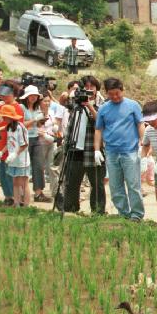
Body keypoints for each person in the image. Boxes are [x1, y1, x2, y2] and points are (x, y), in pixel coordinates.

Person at [94, 78, 145, 221]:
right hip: (111, 151)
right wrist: (97, 150)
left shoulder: (133, 105)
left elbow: (140, 124)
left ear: (122, 90)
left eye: (117, 93)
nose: (115, 97)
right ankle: (123, 213)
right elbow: (98, 129)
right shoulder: (104, 108)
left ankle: (136, 214)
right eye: (111, 94)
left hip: (130, 151)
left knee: (133, 184)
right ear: (107, 93)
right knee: (115, 186)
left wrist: (143, 144)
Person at [61, 78, 106, 215]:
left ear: (97, 89)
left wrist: (90, 107)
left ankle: (97, 211)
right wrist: (69, 94)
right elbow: (63, 101)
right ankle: (70, 209)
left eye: (92, 86)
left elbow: (101, 122)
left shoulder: (103, 105)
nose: (89, 89)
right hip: (75, 148)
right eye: (85, 86)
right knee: (72, 182)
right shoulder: (76, 104)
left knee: (97, 183)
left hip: (93, 149)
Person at [0, 83, 23, 205]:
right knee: (2, 174)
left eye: (5, 95)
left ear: (12, 94)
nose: (3, 97)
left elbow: (16, 127)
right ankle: (8, 197)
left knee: (10, 174)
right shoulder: (0, 107)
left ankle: (17, 198)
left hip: (9, 146)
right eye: (2, 95)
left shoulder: (17, 108)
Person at [21, 85, 51, 203]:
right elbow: (21, 124)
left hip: (36, 138)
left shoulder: (37, 108)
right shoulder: (22, 107)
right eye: (31, 95)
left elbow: (38, 125)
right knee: (24, 166)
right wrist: (34, 119)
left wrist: (42, 119)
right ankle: (23, 193)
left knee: (38, 165)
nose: (33, 97)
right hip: (24, 139)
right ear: (27, 96)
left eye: (35, 95)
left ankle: (38, 192)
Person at [0, 104, 31, 207]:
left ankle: (26, 206)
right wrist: (1, 152)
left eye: (4, 116)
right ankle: (16, 203)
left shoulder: (20, 127)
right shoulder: (9, 127)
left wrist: (15, 154)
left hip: (22, 159)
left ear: (10, 117)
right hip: (12, 160)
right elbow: (9, 142)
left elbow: (24, 144)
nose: (3, 118)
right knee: (15, 182)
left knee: (24, 183)